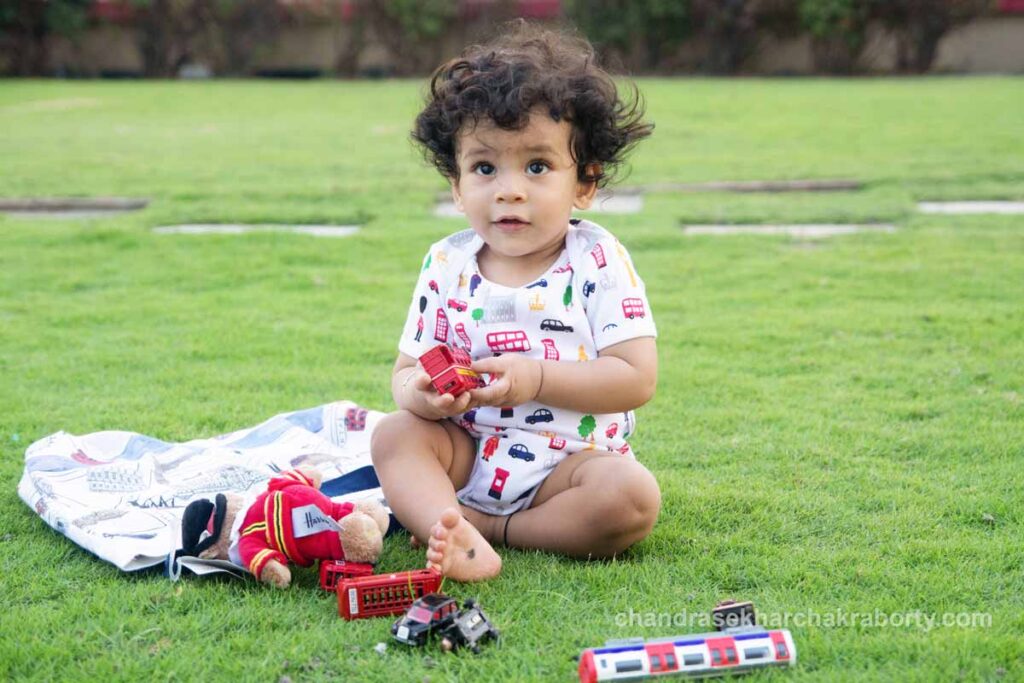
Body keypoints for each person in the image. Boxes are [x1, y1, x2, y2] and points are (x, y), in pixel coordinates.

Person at [371, 22, 660, 582]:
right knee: (393, 434)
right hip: (469, 451)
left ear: (585, 182)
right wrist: (425, 398)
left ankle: (485, 531)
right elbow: (407, 372)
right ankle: (447, 516)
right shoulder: (445, 264)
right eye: (484, 168)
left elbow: (635, 378)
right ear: (456, 186)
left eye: (537, 166)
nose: (509, 190)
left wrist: (535, 379)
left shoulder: (596, 259)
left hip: (569, 467)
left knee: (630, 497)